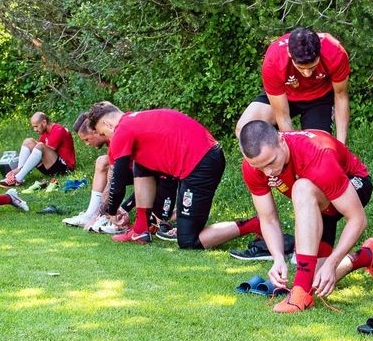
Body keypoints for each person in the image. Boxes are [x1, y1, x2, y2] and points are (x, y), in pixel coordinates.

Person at [239, 121, 373, 313]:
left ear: (281, 140)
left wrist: (332, 262)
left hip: (353, 185)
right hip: (318, 202)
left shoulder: (317, 155)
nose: (267, 172)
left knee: (302, 187)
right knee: (315, 278)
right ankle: (366, 255)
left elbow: (357, 219)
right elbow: (268, 218)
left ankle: (300, 294)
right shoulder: (254, 166)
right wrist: (278, 258)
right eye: (259, 167)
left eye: (271, 162)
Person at [85, 102, 260, 250]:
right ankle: (141, 229)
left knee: (188, 240)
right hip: (202, 158)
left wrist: (112, 211)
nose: (105, 137)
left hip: (201, 164)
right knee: (141, 165)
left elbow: (119, 180)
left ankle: (255, 224)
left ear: (107, 124)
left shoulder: (122, 131)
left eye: (102, 133)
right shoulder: (134, 120)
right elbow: (141, 170)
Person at [235, 27, 350, 144]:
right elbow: (282, 116)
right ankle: (277, 156)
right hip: (285, 95)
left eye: (312, 67)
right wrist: (294, 150)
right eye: (301, 67)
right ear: (290, 54)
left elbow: (341, 96)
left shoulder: (335, 51)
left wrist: (342, 145)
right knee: (245, 129)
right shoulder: (274, 60)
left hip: (319, 97)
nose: (307, 73)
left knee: (318, 145)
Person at [0, 111, 77, 188]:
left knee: (40, 146)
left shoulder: (58, 130)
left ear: (44, 122)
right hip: (51, 166)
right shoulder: (45, 132)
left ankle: (18, 178)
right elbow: (38, 154)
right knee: (28, 141)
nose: (35, 130)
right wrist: (19, 168)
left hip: (65, 168)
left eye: (36, 126)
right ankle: (19, 174)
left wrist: (23, 168)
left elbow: (44, 151)